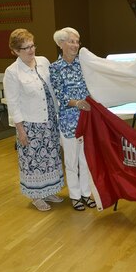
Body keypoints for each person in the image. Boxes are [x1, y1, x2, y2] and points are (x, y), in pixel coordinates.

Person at [3, 28, 65, 211]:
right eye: (25, 48)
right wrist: (20, 130)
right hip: (30, 124)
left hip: (49, 120)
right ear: (15, 51)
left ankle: (48, 190)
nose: (31, 50)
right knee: (33, 162)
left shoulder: (43, 62)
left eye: (32, 45)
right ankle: (35, 196)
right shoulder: (12, 72)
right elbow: (13, 103)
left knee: (50, 159)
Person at [49, 27, 97, 211]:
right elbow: (60, 96)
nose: (75, 45)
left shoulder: (83, 65)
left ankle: (86, 193)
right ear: (61, 44)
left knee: (85, 159)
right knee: (71, 161)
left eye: (77, 41)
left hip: (86, 119)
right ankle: (75, 196)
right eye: (71, 41)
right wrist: (77, 103)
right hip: (68, 121)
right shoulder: (55, 68)